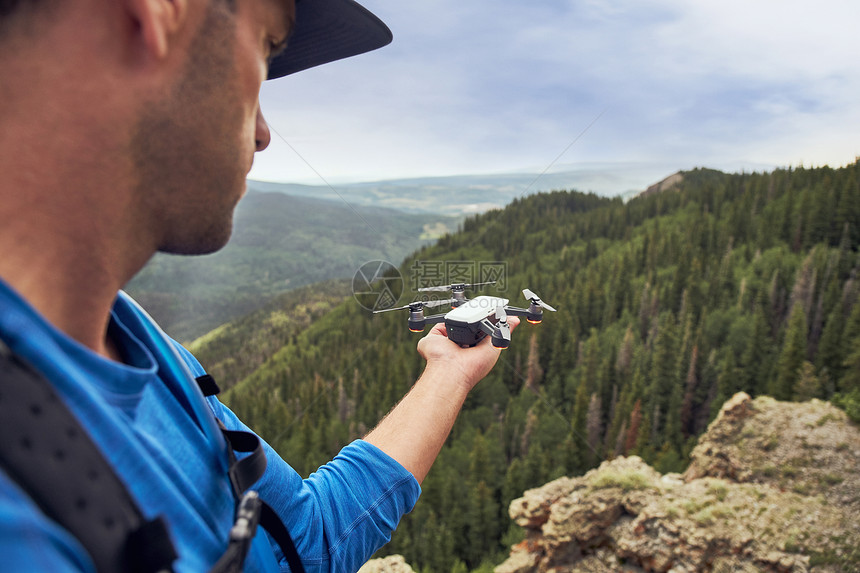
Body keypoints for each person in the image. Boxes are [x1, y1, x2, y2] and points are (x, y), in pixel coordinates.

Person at [0, 0, 518, 571]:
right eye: (267, 48)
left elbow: (309, 540)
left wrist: (448, 371)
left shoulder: (136, 340)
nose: (266, 133)